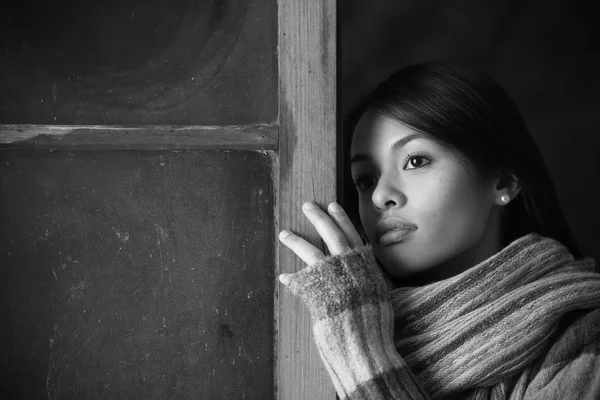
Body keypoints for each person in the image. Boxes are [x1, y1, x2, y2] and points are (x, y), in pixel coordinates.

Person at [278, 62, 600, 400]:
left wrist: (359, 342)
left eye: (416, 161)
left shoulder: (584, 340)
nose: (378, 196)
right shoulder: (317, 337)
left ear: (502, 179)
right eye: (365, 180)